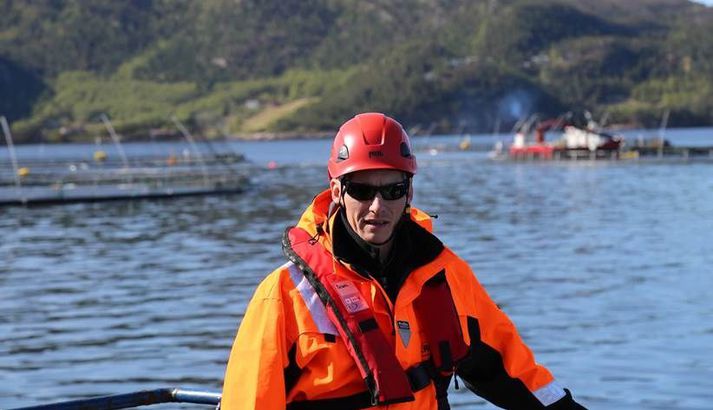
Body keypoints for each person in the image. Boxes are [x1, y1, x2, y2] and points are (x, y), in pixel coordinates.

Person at [221, 113, 586, 409]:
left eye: (392, 190)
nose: (377, 207)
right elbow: (249, 400)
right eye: (361, 190)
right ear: (336, 191)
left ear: (409, 192)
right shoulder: (285, 296)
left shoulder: (444, 276)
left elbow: (512, 369)